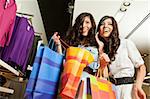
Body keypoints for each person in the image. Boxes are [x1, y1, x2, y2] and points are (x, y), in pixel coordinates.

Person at [95, 15, 146, 99]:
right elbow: (102, 76)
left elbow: (141, 67)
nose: (105, 26)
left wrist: (138, 86)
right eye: (102, 24)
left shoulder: (125, 43)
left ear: (114, 28)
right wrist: (101, 48)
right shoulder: (101, 52)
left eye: (109, 24)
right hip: (111, 89)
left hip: (127, 89)